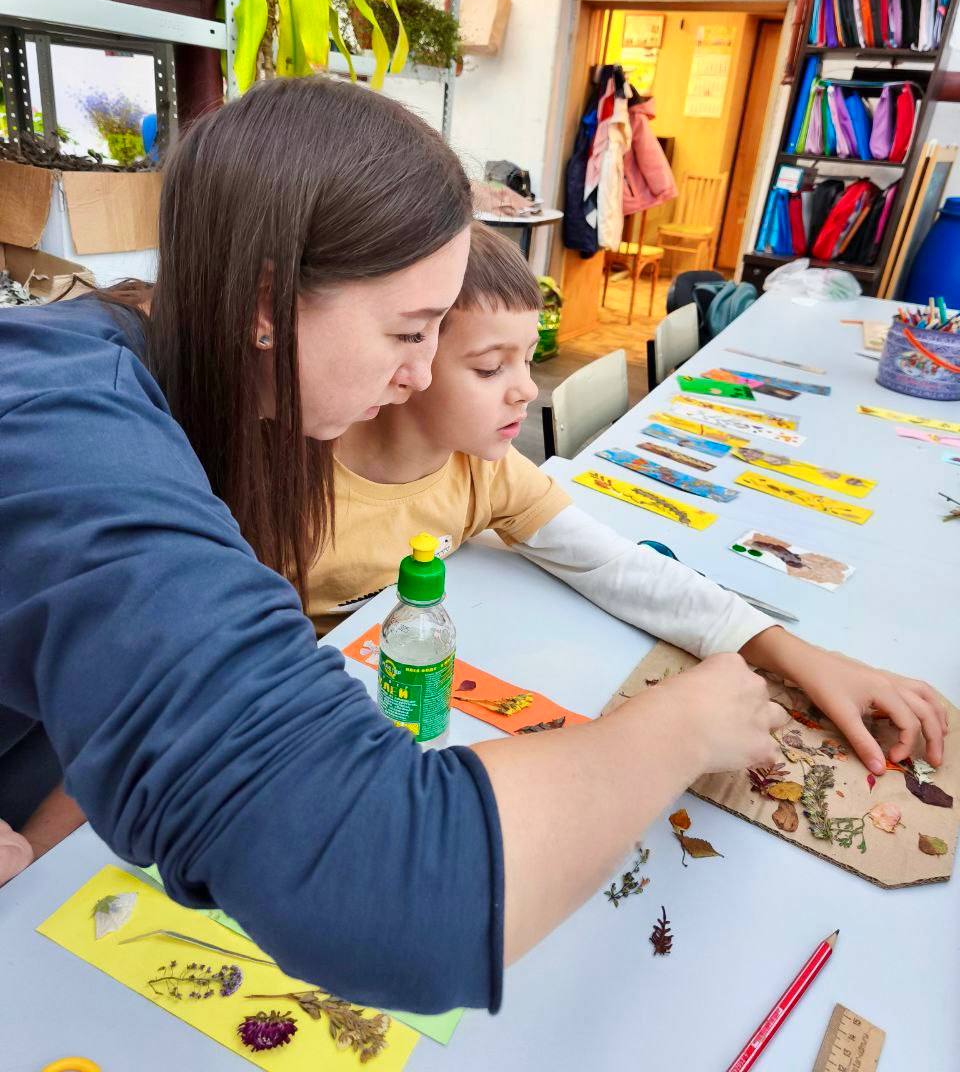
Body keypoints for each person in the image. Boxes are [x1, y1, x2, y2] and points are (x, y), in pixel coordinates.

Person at [0, 79, 905, 1017]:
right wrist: (679, 728)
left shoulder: (234, 394)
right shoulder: (72, 429)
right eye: (408, 330)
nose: (422, 373)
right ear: (267, 301)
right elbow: (388, 888)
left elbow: (126, 678)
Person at [327, 222, 949, 775]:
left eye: (528, 361)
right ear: (407, 357)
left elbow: (619, 568)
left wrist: (801, 657)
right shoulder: (299, 480)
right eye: (491, 368)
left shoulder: (488, 472)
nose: (527, 390)